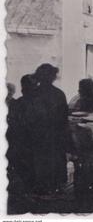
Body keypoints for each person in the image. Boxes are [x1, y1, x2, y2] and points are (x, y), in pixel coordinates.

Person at [32, 63, 69, 195]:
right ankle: (56, 186)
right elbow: (65, 117)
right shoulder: (59, 94)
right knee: (55, 159)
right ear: (52, 77)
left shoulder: (33, 94)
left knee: (42, 160)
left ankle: (43, 187)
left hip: (39, 134)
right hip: (55, 134)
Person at [6, 74, 38, 212]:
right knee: (26, 166)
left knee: (24, 167)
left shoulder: (17, 103)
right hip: (25, 142)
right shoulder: (25, 103)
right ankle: (25, 194)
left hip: (21, 142)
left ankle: (24, 193)